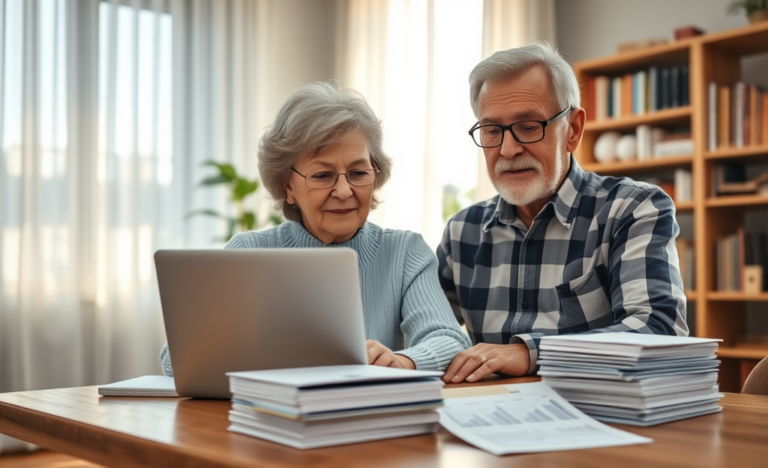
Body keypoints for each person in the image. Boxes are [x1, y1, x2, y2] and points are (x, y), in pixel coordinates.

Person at [160, 82, 470, 376]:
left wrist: (402, 361)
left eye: (358, 172)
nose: (345, 191)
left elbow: (448, 340)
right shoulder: (249, 252)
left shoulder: (405, 253)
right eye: (323, 175)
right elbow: (176, 359)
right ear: (288, 186)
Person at [437, 41, 688, 384]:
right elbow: (431, 334)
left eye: (528, 126)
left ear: (573, 130)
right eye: (492, 131)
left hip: (604, 416)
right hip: (490, 421)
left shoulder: (632, 208)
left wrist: (529, 353)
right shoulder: (460, 232)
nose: (508, 149)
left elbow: (658, 330)